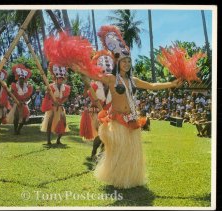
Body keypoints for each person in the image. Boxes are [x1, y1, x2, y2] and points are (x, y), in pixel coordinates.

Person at [75, 25, 183, 188]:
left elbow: (153, 86)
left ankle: (128, 179)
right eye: (123, 61)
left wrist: (172, 83)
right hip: (117, 121)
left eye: (129, 61)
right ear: (118, 63)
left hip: (132, 120)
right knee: (118, 152)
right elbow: (92, 74)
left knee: (131, 153)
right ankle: (116, 177)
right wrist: (75, 67)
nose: (126, 63)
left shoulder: (134, 80)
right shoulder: (111, 79)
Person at [79, 50, 114, 161]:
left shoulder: (114, 86)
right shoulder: (94, 84)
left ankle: (100, 153)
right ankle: (95, 152)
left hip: (108, 114)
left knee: (106, 136)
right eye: (104, 73)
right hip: (96, 113)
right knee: (101, 134)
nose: (106, 75)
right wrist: (86, 84)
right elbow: (85, 95)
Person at [41, 63, 71, 145]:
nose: (61, 79)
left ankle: (58, 139)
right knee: (49, 123)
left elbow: (66, 97)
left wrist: (60, 102)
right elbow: (47, 97)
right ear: (56, 78)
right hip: (52, 107)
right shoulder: (50, 87)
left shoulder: (66, 87)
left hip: (60, 107)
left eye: (62, 78)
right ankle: (48, 140)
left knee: (64, 123)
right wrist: (53, 102)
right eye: (59, 78)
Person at [6, 64, 33, 135]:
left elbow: (28, 97)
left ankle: (19, 129)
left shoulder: (28, 87)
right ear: (18, 78)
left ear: (24, 79)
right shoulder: (14, 86)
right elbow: (11, 95)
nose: (21, 80)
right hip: (16, 103)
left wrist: (25, 102)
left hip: (24, 104)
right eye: (20, 78)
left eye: (23, 79)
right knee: (16, 117)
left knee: (24, 118)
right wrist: (15, 101)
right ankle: (15, 130)